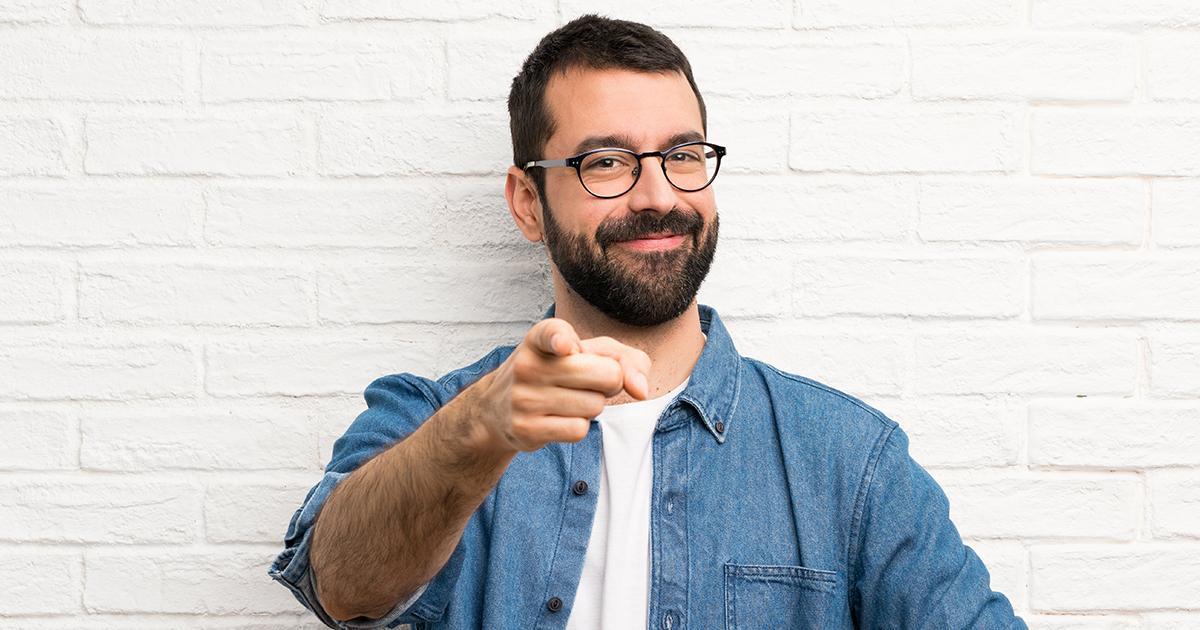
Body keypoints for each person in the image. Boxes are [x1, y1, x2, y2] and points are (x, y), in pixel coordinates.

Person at [268, 14, 1028, 630]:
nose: (659, 196)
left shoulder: (848, 459)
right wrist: (479, 430)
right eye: (606, 162)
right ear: (528, 203)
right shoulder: (435, 417)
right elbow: (340, 587)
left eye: (683, 155)